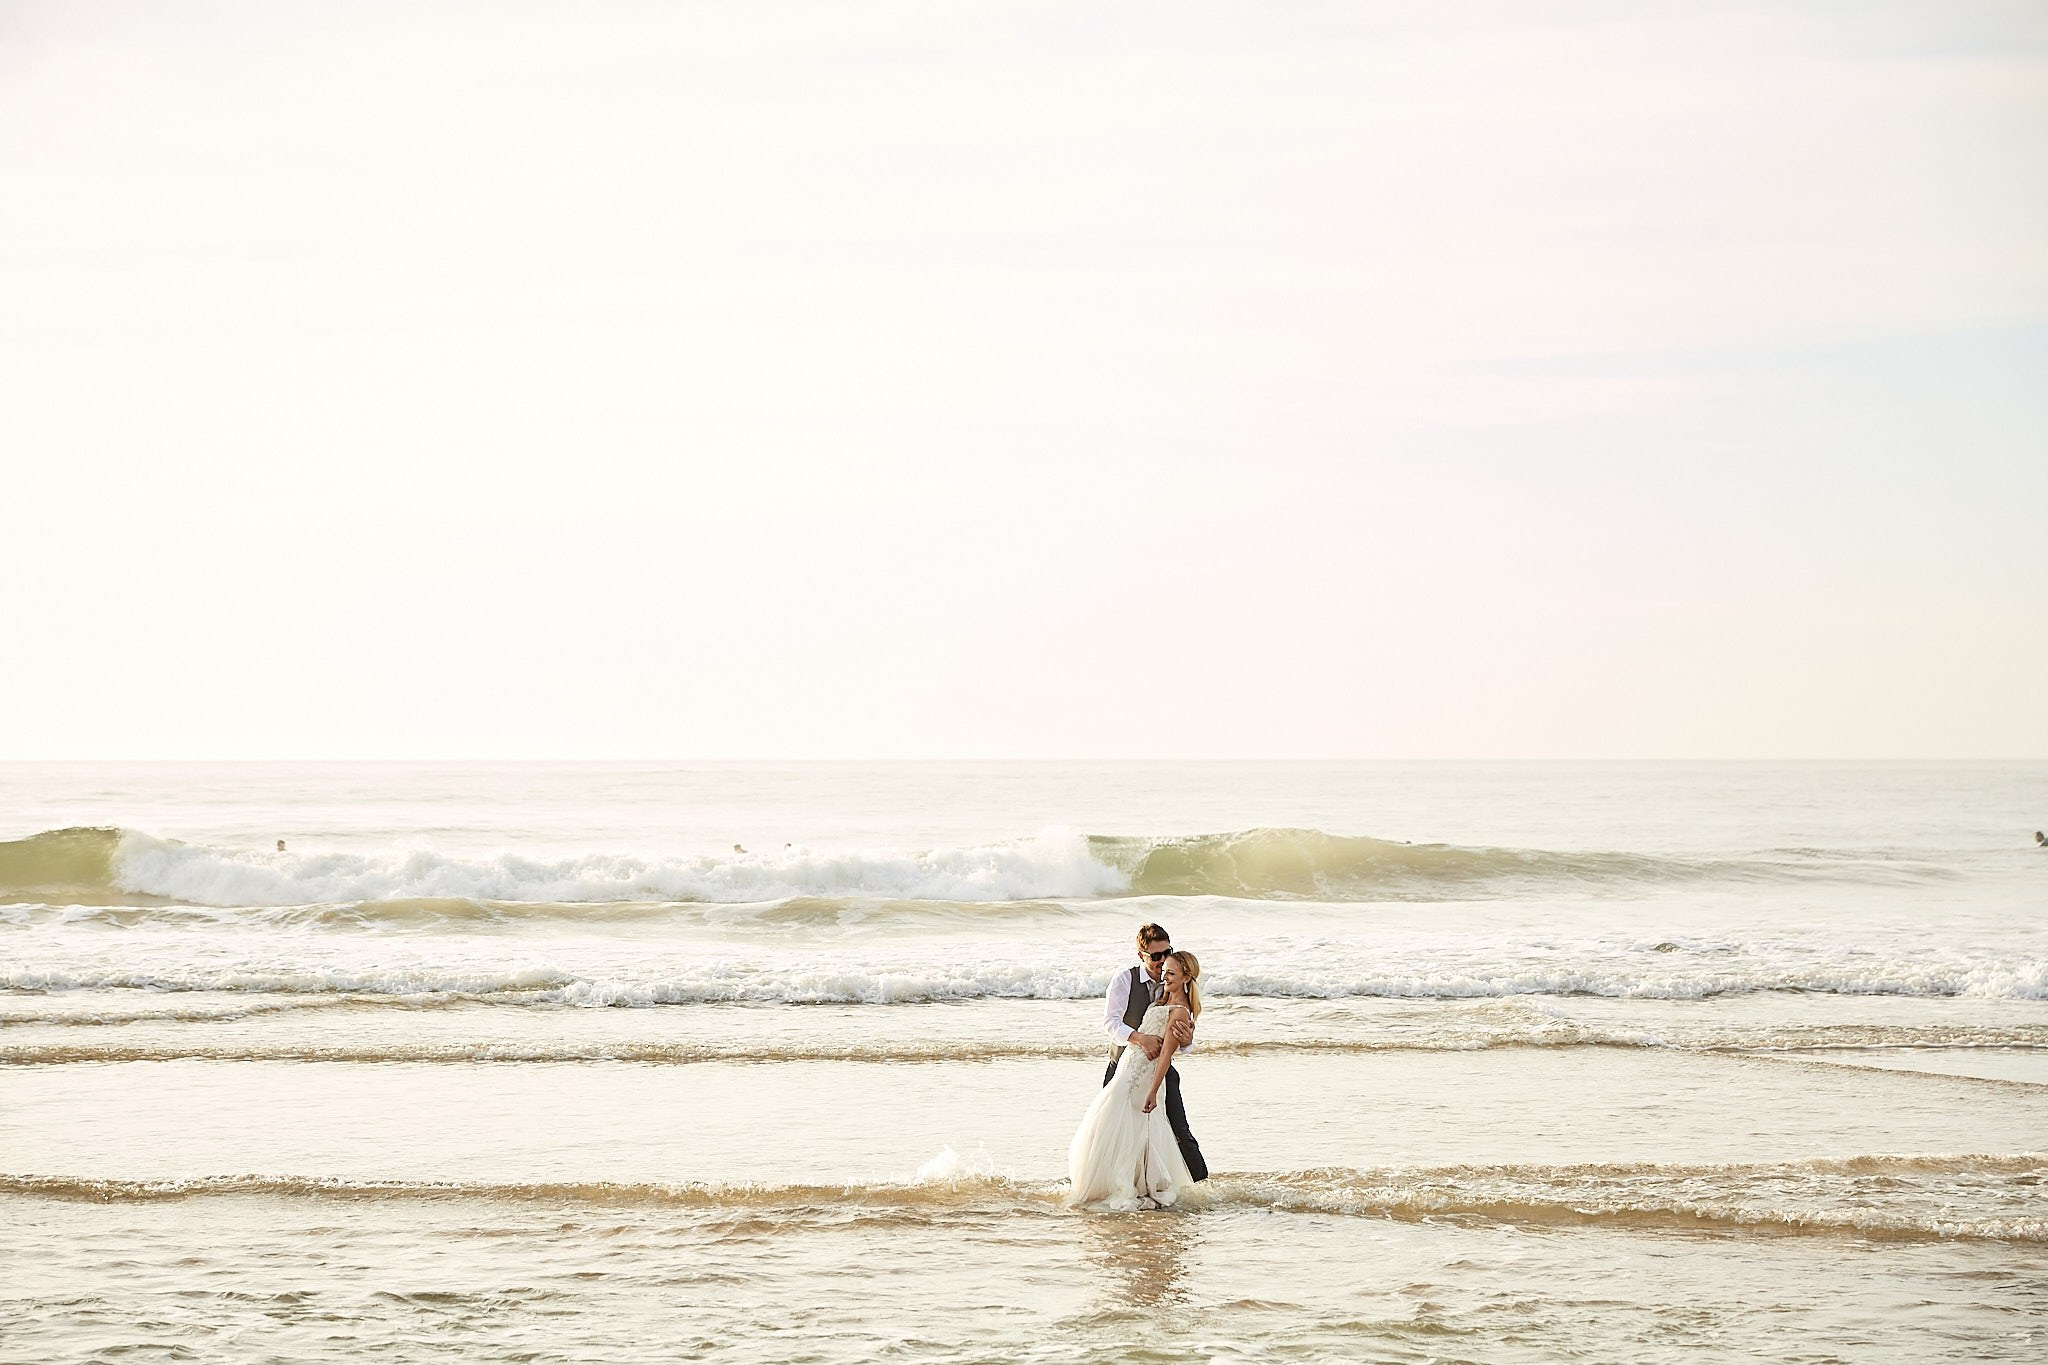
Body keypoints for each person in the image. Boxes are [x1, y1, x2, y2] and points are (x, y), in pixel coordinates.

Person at [1069, 949, 1204, 1208]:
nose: (1164, 973)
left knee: (1152, 1129)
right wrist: (1139, 1041)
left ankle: (1149, 1182)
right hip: (1127, 1066)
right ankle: (1115, 1180)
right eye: (1162, 967)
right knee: (1113, 1123)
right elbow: (1111, 1022)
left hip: (1146, 1076)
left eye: (1170, 970)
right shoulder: (1142, 989)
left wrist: (1154, 1090)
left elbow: (1166, 1054)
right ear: (1142, 954)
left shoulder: (1179, 1010)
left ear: (1186, 977)